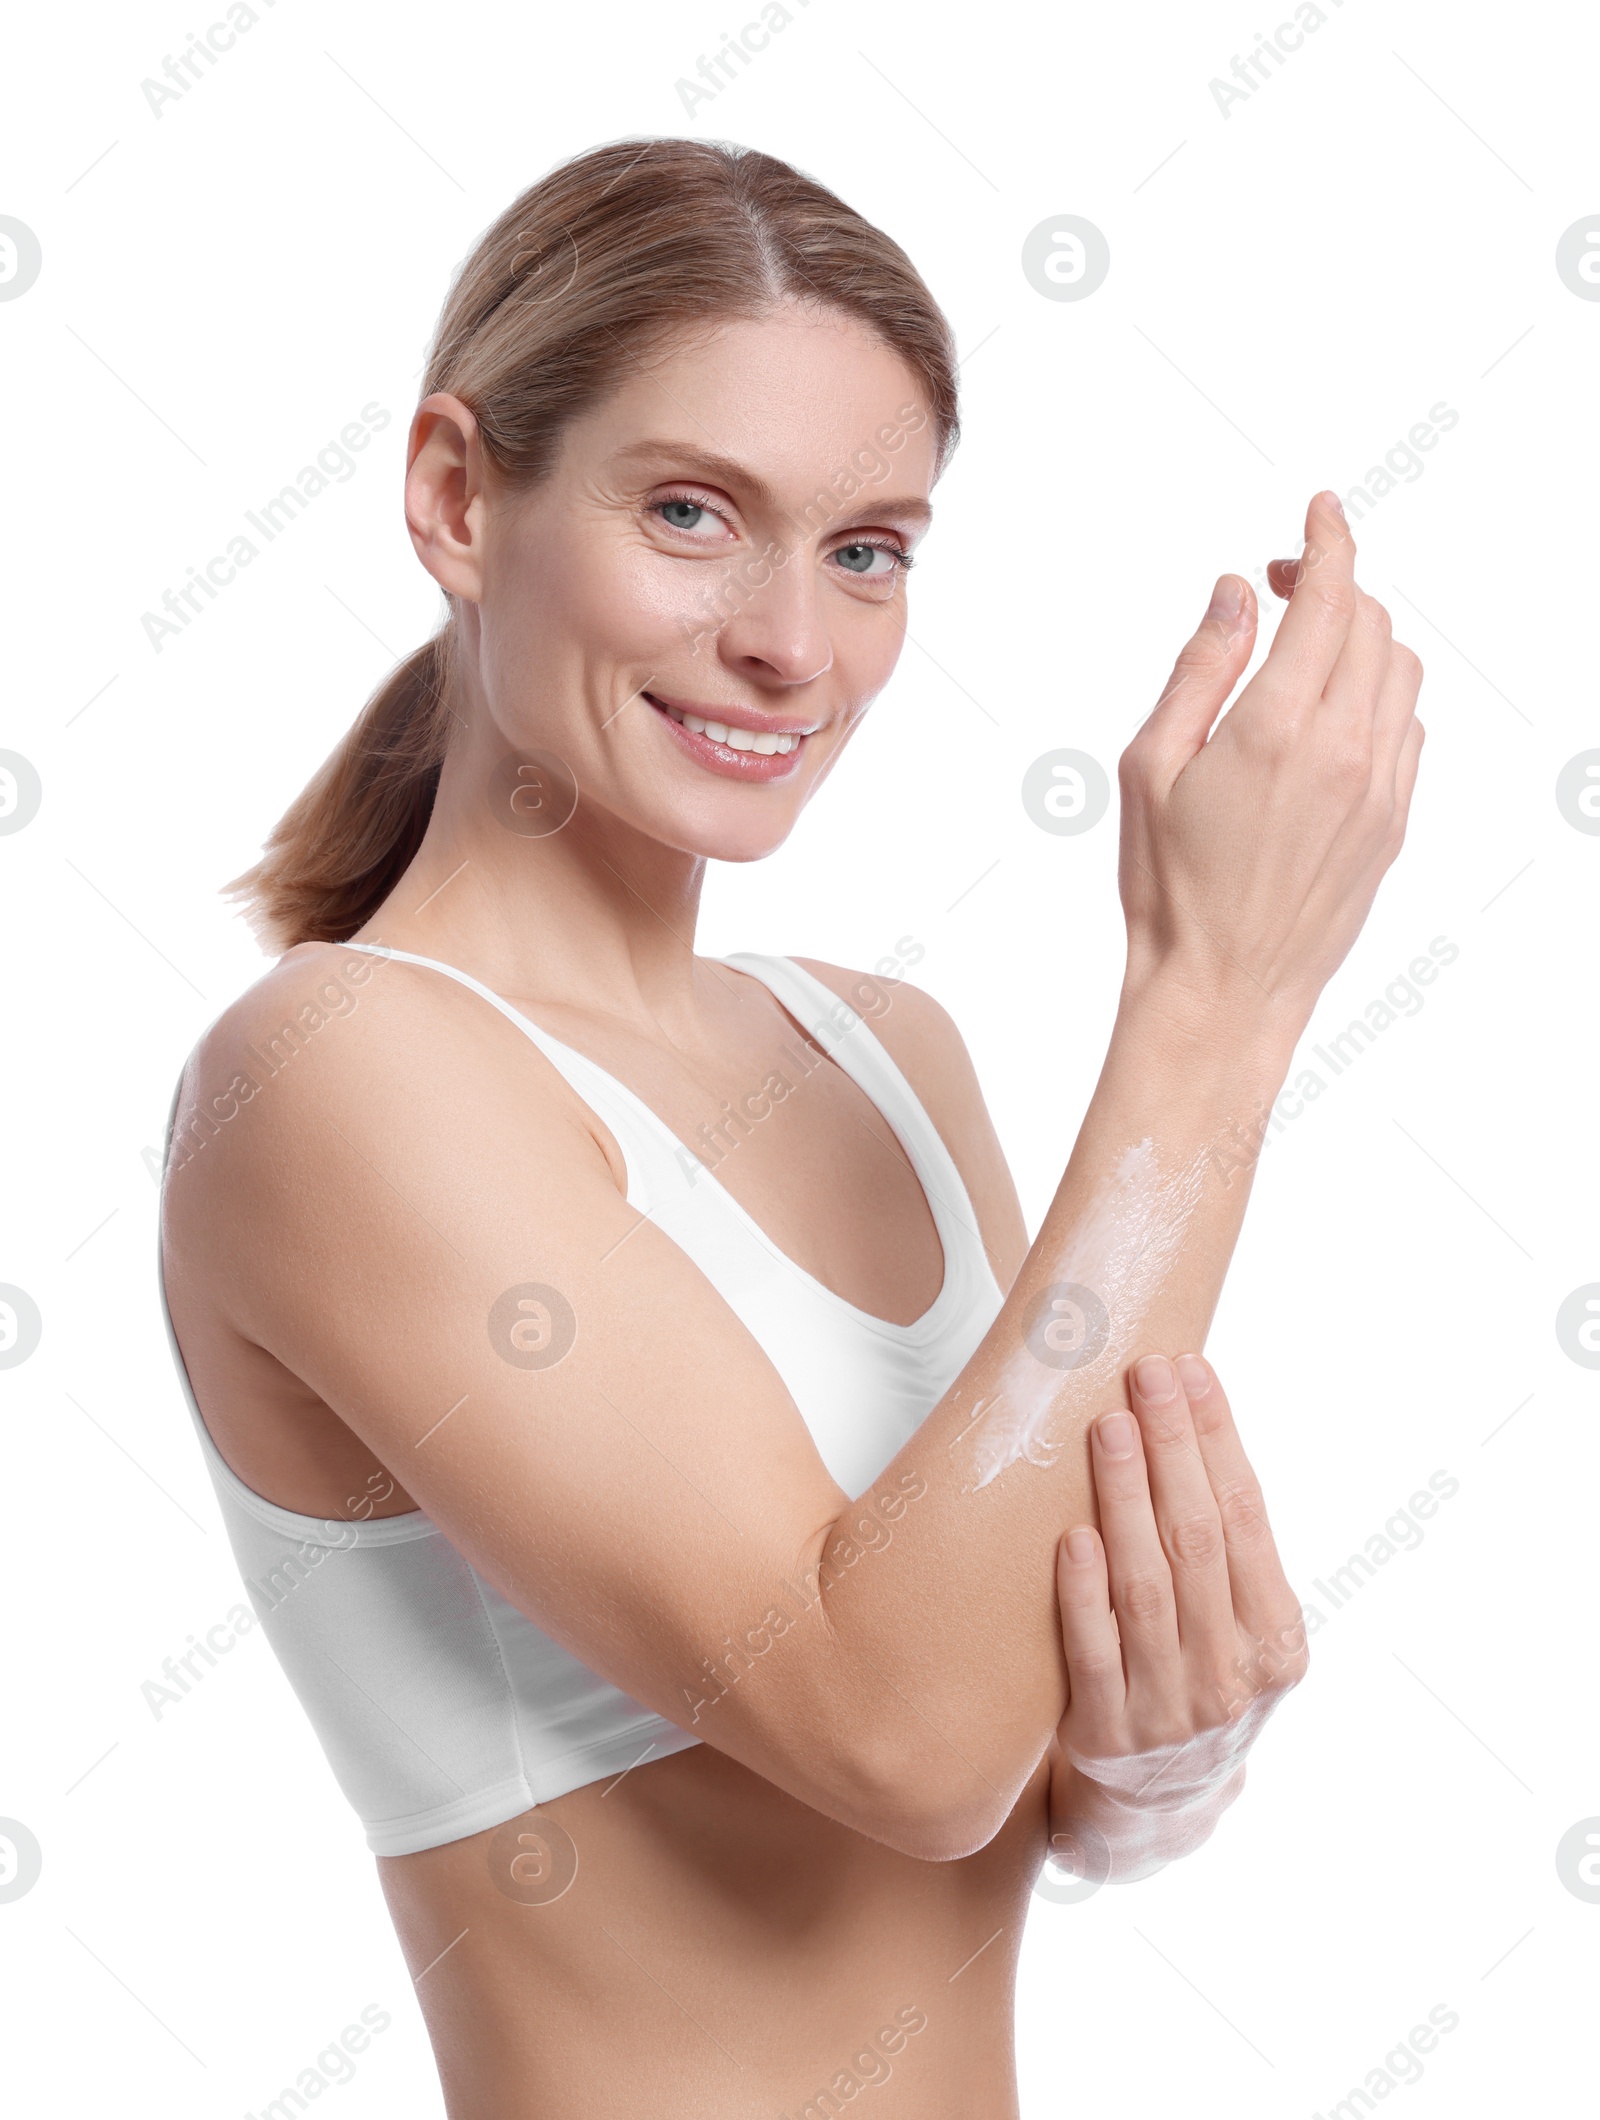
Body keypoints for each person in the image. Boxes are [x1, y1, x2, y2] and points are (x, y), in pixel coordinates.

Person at [158, 138, 1424, 2118]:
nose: (789, 641)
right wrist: (1217, 998)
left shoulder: (882, 1054)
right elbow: (898, 1734)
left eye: (866, 549)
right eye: (690, 512)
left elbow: (1009, 1751)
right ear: (456, 496)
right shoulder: (335, 1075)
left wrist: (1164, 1738)